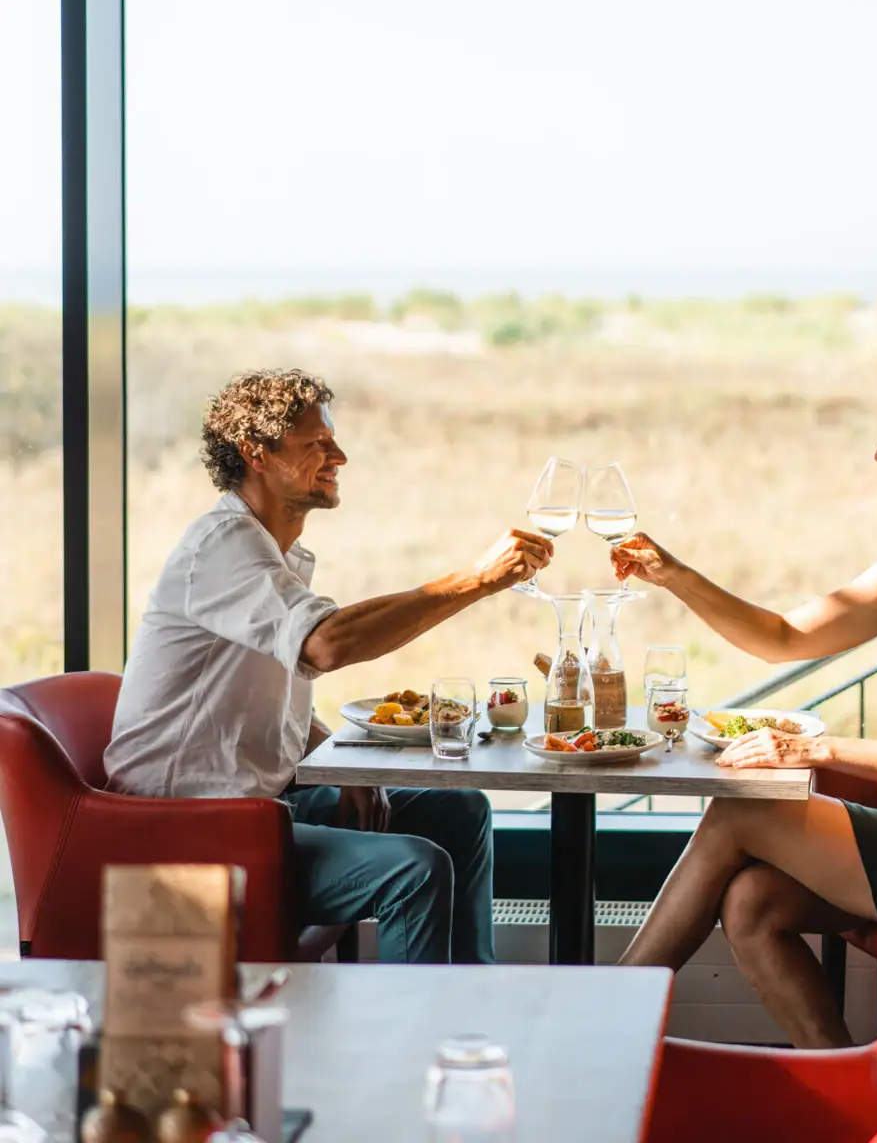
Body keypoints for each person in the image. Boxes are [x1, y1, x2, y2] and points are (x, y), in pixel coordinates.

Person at [609, 362, 877, 1047]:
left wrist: (811, 749)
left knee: (736, 809)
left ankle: (603, 1018)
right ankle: (843, 1093)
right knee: (752, 903)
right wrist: (675, 576)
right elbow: (783, 638)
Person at [105, 368, 553, 964]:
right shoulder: (221, 547)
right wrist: (476, 580)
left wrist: (344, 764)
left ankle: (469, 1005)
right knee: (414, 871)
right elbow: (327, 644)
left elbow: (264, 700)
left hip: (260, 805)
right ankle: (408, 1046)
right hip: (190, 829)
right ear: (255, 454)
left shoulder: (273, 551)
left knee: (460, 810)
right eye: (316, 443)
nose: (338, 454)